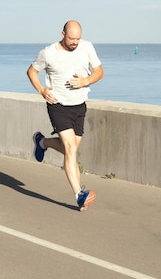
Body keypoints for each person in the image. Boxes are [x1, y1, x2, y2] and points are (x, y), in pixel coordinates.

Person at [27, 20, 104, 211]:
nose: (75, 42)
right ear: (62, 34)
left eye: (77, 38)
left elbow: (99, 72)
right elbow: (32, 72)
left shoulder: (87, 47)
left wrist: (86, 80)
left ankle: (42, 142)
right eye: (71, 38)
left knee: (71, 150)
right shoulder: (48, 53)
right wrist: (42, 91)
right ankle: (79, 194)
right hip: (58, 105)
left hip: (79, 106)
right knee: (70, 149)